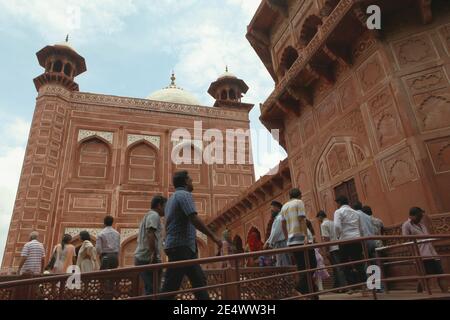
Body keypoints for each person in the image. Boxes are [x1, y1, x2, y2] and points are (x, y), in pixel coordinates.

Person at [160, 171, 222, 300]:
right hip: (181, 247)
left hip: (183, 247)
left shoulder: (171, 199)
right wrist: (213, 237)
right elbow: (193, 218)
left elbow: (167, 224)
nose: (192, 182)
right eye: (191, 180)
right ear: (186, 181)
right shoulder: (184, 195)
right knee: (170, 287)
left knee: (199, 281)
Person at [281, 188, 318, 298]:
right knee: (312, 265)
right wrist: (305, 236)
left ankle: (312, 294)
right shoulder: (299, 202)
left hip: (292, 242)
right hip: (302, 240)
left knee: (302, 268)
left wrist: (288, 238)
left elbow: (283, 224)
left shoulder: (284, 206)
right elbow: (302, 219)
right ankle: (298, 288)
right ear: (300, 195)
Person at [402, 207, 448, 293]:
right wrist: (414, 255)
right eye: (419, 216)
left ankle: (445, 292)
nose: (420, 218)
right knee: (425, 276)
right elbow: (406, 241)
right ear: (412, 216)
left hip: (432, 252)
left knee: (441, 274)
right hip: (421, 255)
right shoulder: (406, 225)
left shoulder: (422, 224)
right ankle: (419, 293)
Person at [134, 195, 167, 296]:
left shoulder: (149, 215)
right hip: (147, 258)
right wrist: (153, 254)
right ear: (159, 206)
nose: (166, 209)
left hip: (143, 257)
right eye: (165, 206)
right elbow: (150, 233)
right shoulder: (154, 215)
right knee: (152, 290)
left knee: (152, 289)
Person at [334, 196, 366, 289]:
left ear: (339, 203)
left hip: (345, 240)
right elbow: (361, 228)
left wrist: (338, 236)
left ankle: (351, 286)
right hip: (356, 239)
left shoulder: (338, 212)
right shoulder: (356, 213)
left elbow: (337, 226)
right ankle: (363, 285)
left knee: (345, 264)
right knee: (359, 263)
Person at [316, 210, 347, 290]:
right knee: (337, 267)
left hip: (332, 249)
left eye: (318, 218)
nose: (318, 220)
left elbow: (326, 238)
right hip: (337, 246)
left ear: (320, 217)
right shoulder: (333, 222)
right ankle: (338, 286)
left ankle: (343, 287)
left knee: (337, 268)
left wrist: (326, 251)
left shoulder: (323, 224)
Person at [264, 201, 291, 267]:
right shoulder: (277, 218)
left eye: (272, 208)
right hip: (279, 244)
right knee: (281, 262)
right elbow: (273, 233)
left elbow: (276, 233)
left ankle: (287, 277)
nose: (271, 210)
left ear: (278, 208)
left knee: (284, 264)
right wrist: (268, 242)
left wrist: (268, 243)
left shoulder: (279, 218)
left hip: (281, 243)